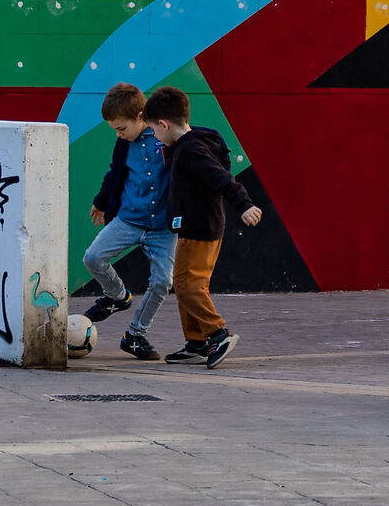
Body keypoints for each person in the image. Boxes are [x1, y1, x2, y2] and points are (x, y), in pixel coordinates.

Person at [142, 84, 262, 369]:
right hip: (200, 226)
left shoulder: (191, 150)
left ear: (163, 124)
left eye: (154, 132)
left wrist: (243, 204)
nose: (156, 139)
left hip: (198, 228)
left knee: (187, 284)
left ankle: (218, 333)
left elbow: (220, 177)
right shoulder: (195, 141)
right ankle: (197, 342)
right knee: (190, 284)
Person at [78, 82, 178, 359]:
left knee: (161, 282)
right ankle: (118, 295)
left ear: (140, 116)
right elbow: (115, 173)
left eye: (122, 128)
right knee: (93, 257)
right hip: (129, 220)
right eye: (115, 130)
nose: (120, 135)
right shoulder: (123, 146)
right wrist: (101, 201)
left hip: (162, 228)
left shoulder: (165, 139)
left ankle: (135, 335)